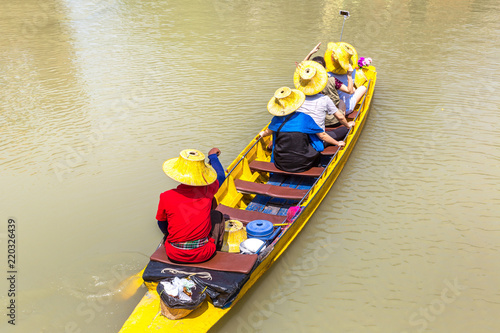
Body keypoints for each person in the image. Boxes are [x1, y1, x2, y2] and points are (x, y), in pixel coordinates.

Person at [156, 148, 226, 263]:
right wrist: (213, 156)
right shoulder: (207, 190)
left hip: (174, 253)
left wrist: (167, 234)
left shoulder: (166, 196)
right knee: (217, 215)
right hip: (204, 253)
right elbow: (221, 176)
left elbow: (161, 223)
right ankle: (217, 251)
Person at [258, 86, 324, 173]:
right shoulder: (304, 117)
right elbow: (321, 135)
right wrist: (337, 143)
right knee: (315, 145)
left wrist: (262, 134)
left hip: (281, 164)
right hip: (304, 164)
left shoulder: (276, 120)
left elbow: (267, 132)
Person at [292, 60, 351, 147]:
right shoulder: (324, 99)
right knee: (343, 130)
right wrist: (348, 126)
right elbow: (339, 117)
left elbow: (299, 69)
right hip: (317, 138)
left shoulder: (297, 97)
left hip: (300, 135)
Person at [302, 42, 357, 128]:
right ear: (324, 68)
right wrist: (349, 75)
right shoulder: (332, 80)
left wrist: (311, 53)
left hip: (312, 118)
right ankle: (344, 124)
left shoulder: (305, 81)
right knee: (341, 102)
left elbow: (301, 67)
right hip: (331, 120)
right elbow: (349, 91)